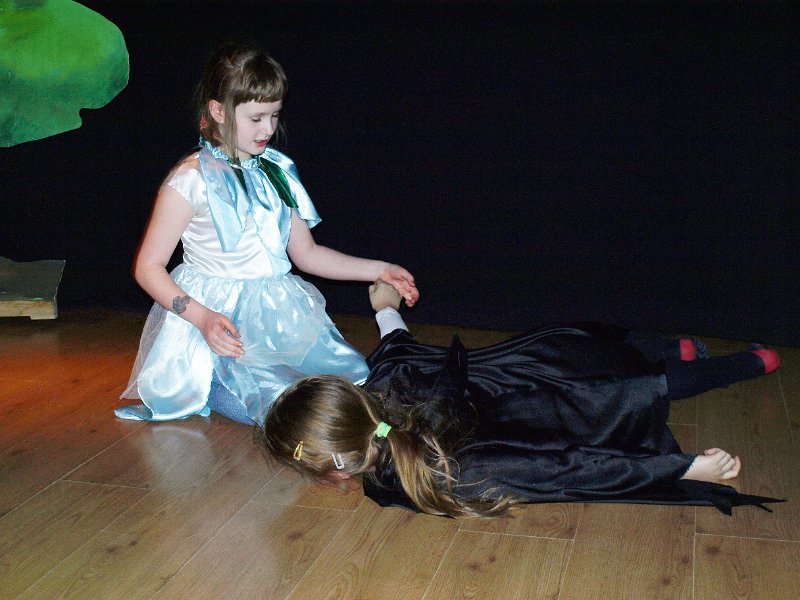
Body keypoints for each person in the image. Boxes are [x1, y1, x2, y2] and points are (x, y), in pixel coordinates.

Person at [260, 281, 782, 518]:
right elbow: (396, 348)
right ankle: (688, 353)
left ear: (335, 472)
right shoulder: (384, 390)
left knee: (622, 392)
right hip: (540, 371)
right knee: (611, 370)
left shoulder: (445, 474)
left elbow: (570, 468)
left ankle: (745, 363)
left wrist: (683, 469)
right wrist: (385, 306)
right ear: (350, 395)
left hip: (559, 412)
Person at [116, 42, 418, 426]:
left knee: (352, 384)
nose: (269, 129)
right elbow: (148, 267)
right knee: (285, 407)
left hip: (276, 315)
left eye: (275, 115)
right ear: (218, 111)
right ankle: (208, 379)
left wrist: (380, 269)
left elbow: (307, 254)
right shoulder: (190, 180)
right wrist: (202, 318)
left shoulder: (277, 171)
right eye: (256, 117)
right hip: (219, 321)